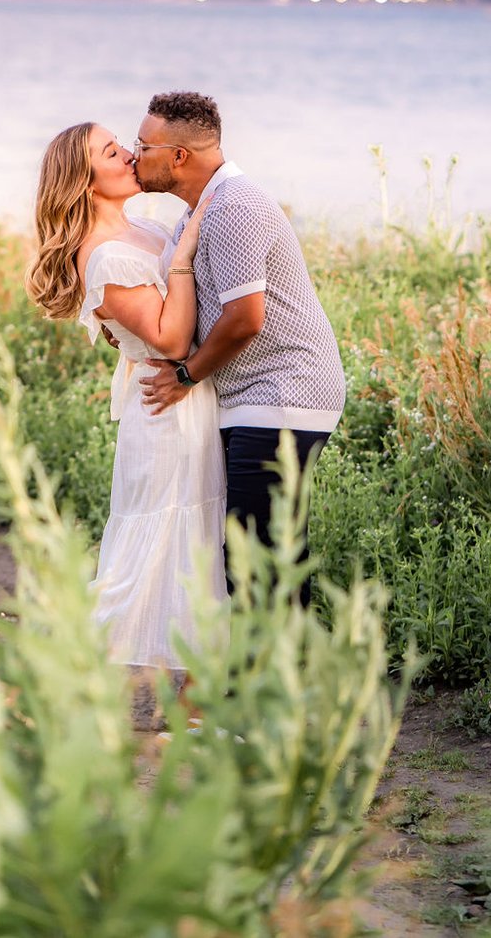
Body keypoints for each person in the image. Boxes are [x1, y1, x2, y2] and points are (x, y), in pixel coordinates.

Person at [26, 121, 226, 676]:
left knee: (188, 548)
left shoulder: (139, 227)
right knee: (148, 551)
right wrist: (184, 256)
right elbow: (170, 339)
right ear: (87, 182)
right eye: (113, 152)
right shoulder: (108, 255)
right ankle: (55, 673)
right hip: (166, 412)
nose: (131, 156)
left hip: (190, 399)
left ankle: (193, 692)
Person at [136, 92, 345, 605]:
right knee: (265, 555)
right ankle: (277, 678)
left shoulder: (235, 206)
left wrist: (186, 376)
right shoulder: (201, 210)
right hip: (257, 398)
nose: (133, 154)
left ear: (178, 156)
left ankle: (274, 681)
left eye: (143, 146)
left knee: (258, 560)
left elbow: (245, 319)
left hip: (283, 393)